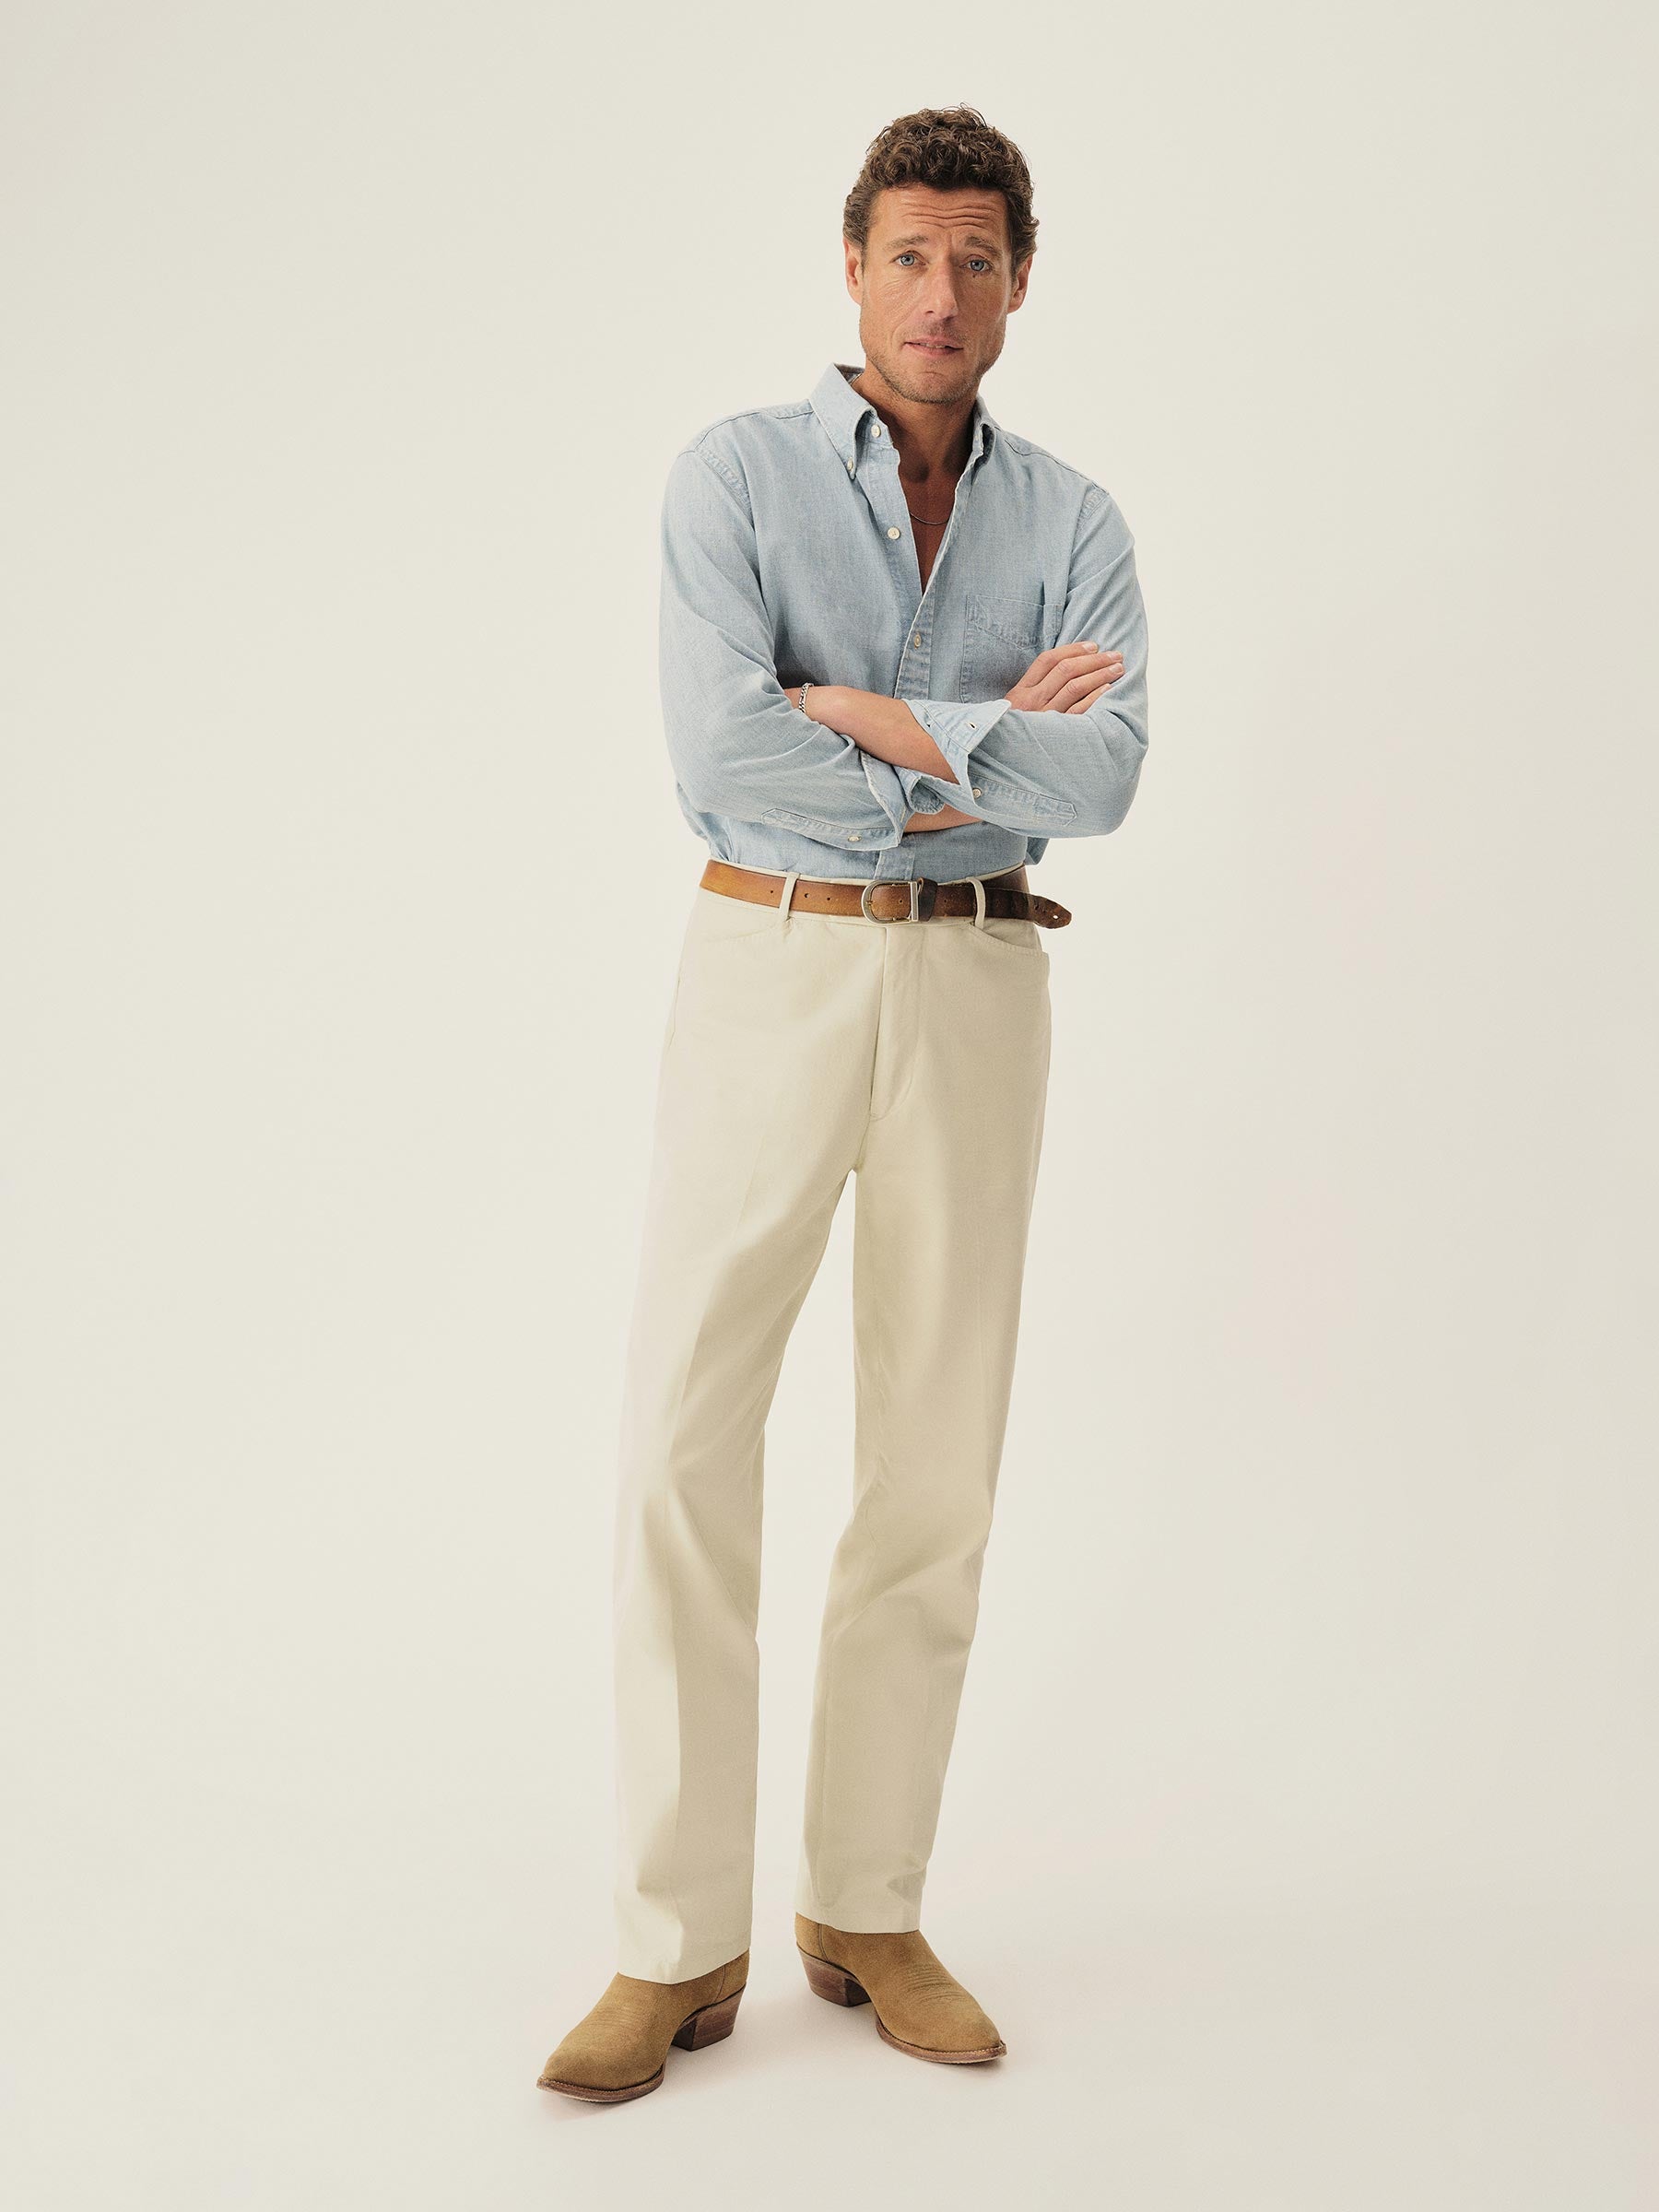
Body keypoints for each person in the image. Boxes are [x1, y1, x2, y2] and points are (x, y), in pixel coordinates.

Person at [538, 103, 1150, 2103]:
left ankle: (866, 1907)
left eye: (977, 256)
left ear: (1021, 280)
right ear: (855, 269)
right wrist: (977, 746)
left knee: (935, 1457)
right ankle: (672, 1940)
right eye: (908, 254)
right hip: (773, 960)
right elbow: (721, 754)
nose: (940, 292)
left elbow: (1107, 779)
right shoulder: (733, 475)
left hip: (979, 976)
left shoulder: (1075, 521)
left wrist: (864, 719)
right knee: (683, 1435)